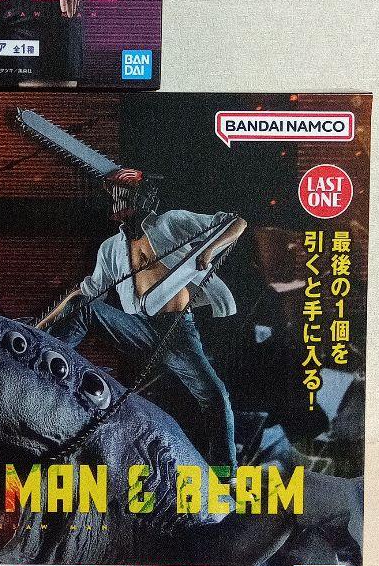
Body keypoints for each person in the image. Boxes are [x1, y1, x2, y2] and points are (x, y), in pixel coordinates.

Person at [39, 170, 247, 476]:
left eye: (123, 195)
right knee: (86, 309)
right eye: (114, 196)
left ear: (142, 198)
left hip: (176, 332)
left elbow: (236, 223)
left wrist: (209, 251)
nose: (117, 202)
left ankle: (225, 475)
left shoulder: (172, 223)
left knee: (215, 397)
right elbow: (81, 294)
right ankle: (42, 365)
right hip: (138, 329)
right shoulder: (111, 249)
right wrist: (38, 328)